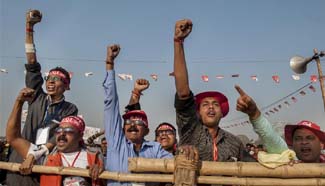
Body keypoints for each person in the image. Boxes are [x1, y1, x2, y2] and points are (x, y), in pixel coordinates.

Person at [7, 9, 78, 186]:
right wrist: (29, 29)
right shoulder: (37, 97)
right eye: (49, 78)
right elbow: (32, 64)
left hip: (44, 164)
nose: (51, 82)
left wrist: (35, 154)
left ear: (67, 86)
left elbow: (58, 138)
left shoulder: (70, 108)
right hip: (18, 159)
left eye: (57, 79)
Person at [173, 19, 244, 161]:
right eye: (205, 104)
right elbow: (183, 92)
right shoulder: (190, 131)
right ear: (197, 112)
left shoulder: (235, 143)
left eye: (216, 104)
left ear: (222, 112)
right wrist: (178, 42)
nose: (211, 107)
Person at [103, 44, 173, 186]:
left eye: (139, 122)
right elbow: (110, 103)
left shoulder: (156, 149)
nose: (133, 125)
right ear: (122, 128)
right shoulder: (116, 142)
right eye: (128, 122)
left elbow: (175, 163)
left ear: (147, 130)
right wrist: (110, 63)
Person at [6, 87, 103, 186]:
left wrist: (100, 171)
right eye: (59, 130)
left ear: (80, 136)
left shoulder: (94, 157)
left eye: (68, 131)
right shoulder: (45, 157)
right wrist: (19, 102)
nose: (62, 134)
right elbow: (13, 137)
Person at [235, 85, 325, 163]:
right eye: (298, 139)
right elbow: (270, 136)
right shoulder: (288, 158)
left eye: (310, 138)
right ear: (292, 145)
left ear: (321, 144)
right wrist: (254, 113)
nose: (304, 142)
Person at [124, 79, 178, 155]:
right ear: (155, 141)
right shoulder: (146, 153)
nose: (163, 134)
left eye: (169, 132)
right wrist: (136, 91)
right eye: (159, 133)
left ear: (176, 139)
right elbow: (135, 122)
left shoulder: (184, 157)